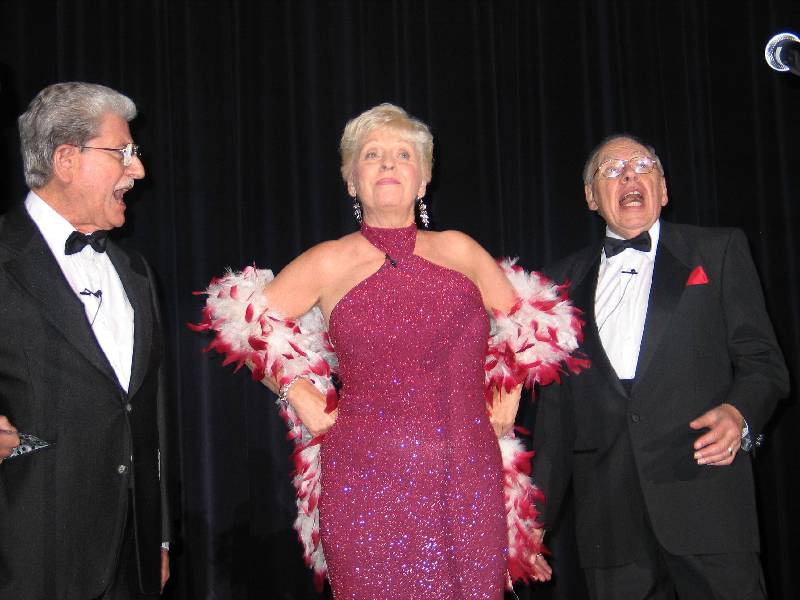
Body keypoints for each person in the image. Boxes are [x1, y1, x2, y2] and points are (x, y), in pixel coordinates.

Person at [194, 103, 584, 598]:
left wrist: (510, 387)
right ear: (350, 181)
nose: (387, 164)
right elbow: (236, 317)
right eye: (371, 154)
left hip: (467, 477)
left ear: (424, 180)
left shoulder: (460, 249)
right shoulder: (329, 261)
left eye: (403, 154)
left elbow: (536, 322)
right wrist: (296, 389)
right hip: (363, 484)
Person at [530, 134, 789, 599]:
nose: (630, 175)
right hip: (610, 523)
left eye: (643, 165)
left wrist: (739, 414)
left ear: (663, 189)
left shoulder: (719, 250)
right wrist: (534, 526)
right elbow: (555, 419)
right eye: (612, 170)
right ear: (591, 197)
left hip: (708, 504)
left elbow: (763, 363)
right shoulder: (556, 283)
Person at [0, 82, 171, 599]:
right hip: (26, 555)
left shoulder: (135, 272)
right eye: (123, 152)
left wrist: (159, 533)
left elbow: (151, 412)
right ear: (66, 159)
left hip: (132, 558)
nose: (138, 170)